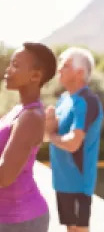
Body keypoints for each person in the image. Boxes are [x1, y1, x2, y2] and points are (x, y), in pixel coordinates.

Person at [45, 47, 103, 232]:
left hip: (79, 182)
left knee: (78, 229)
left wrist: (51, 135)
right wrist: (49, 126)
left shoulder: (87, 100)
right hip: (62, 181)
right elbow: (51, 133)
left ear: (80, 72)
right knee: (70, 229)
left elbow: (73, 143)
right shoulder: (64, 99)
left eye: (66, 65)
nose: (60, 68)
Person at [0, 42, 57, 232]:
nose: (8, 70)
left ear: (35, 75)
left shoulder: (31, 117)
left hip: (20, 221)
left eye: (15, 65)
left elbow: (4, 176)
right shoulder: (18, 110)